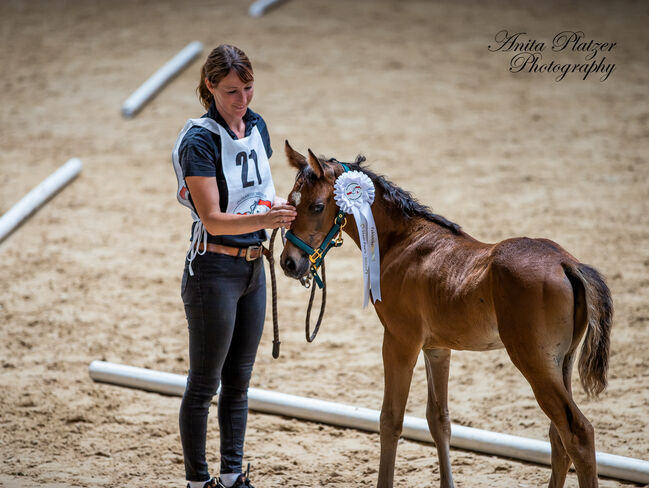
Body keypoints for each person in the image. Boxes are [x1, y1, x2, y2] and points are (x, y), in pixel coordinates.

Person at [172, 44, 296, 488]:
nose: (242, 100)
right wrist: (268, 218)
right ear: (209, 87)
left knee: (239, 383)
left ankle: (230, 477)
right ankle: (196, 481)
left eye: (247, 88)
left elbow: (259, 190)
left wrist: (281, 206)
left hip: (251, 269)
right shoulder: (198, 140)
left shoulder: (256, 125)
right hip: (214, 271)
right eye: (231, 91)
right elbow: (212, 218)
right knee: (204, 384)